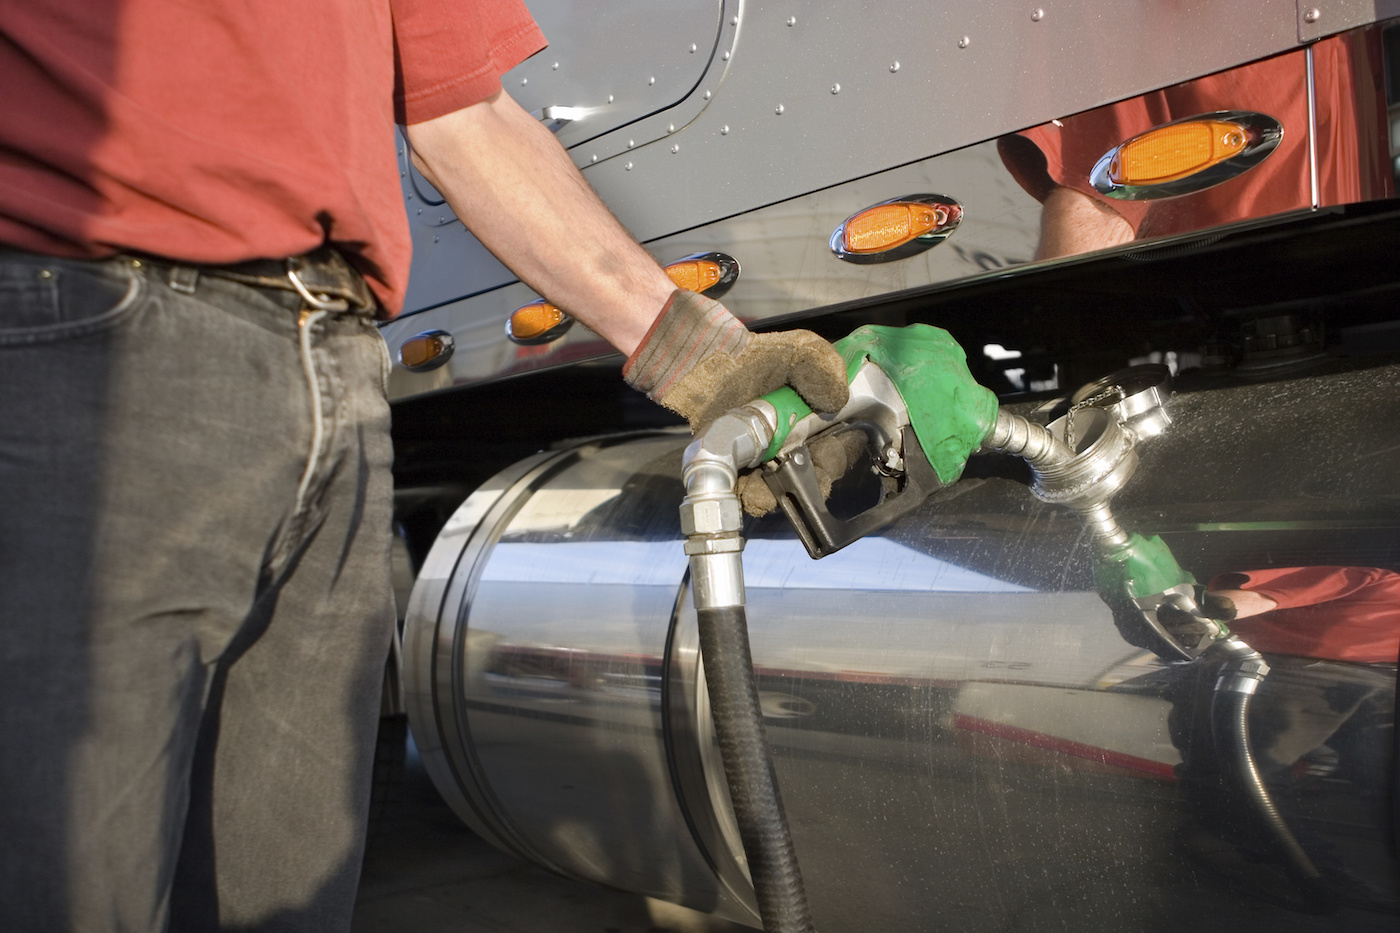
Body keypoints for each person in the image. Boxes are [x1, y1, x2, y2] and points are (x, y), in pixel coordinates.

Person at [0, 2, 849, 930]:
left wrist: (709, 362)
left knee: (287, 893)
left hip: (332, 351)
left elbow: (462, 113)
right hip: (85, 325)